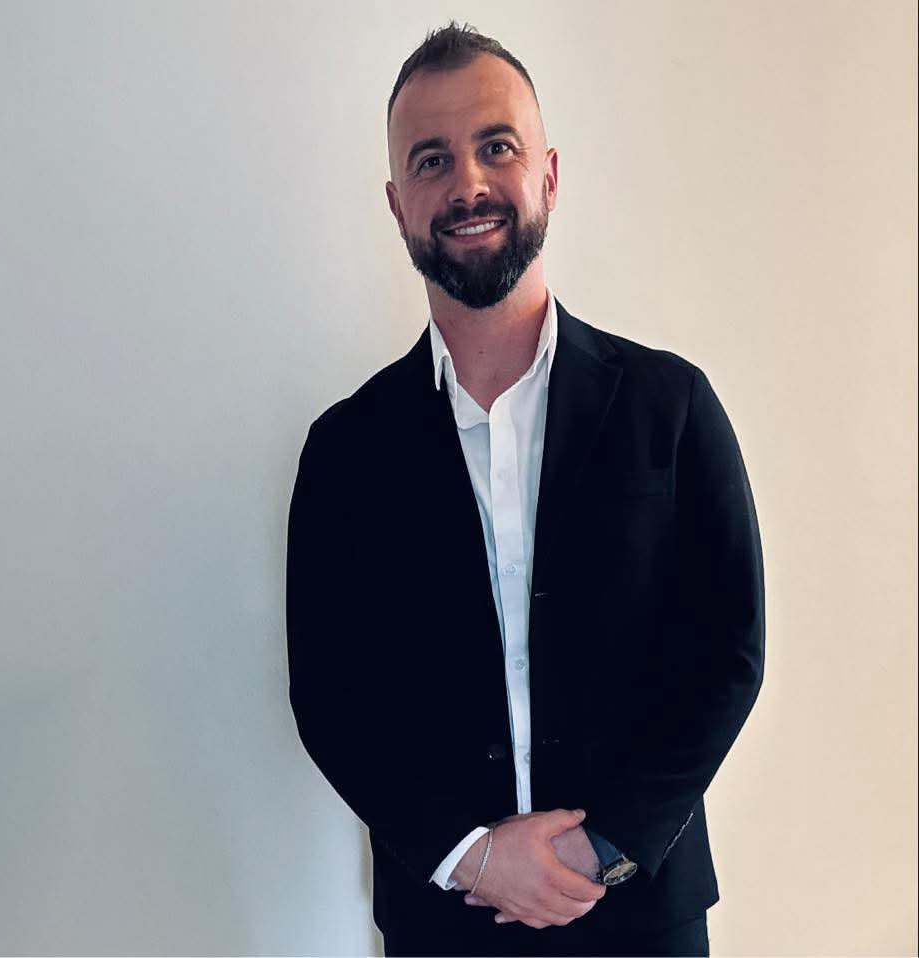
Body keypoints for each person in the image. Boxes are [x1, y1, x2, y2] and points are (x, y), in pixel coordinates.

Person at [286, 22, 764, 958]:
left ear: (548, 173)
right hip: (443, 924)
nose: (467, 183)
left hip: (642, 916)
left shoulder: (671, 405)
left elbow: (727, 650)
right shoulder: (345, 452)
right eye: (432, 160)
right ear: (397, 203)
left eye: (496, 146)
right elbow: (334, 696)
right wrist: (469, 856)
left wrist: (603, 846)